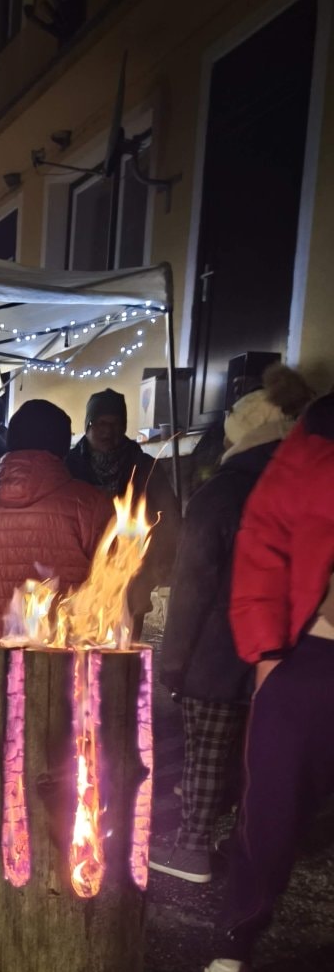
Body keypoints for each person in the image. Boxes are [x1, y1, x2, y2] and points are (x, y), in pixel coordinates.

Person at [191, 394, 334, 972]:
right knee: (270, 811)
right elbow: (264, 544)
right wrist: (268, 652)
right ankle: (236, 947)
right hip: (313, 653)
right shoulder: (316, 436)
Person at [154, 365, 313, 883]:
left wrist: (174, 661)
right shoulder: (303, 485)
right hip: (283, 653)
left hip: (217, 654)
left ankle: (192, 851)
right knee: (257, 760)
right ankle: (247, 847)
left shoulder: (221, 494)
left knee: (206, 755)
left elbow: (192, 585)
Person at [0, 400, 114, 848]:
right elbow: (110, 587)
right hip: (60, 653)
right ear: (62, 444)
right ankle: (55, 837)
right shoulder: (89, 503)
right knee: (60, 738)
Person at [66, 388, 180, 634]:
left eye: (116, 424)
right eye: (102, 424)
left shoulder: (144, 467)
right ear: (89, 425)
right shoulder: (69, 467)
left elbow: (168, 519)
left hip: (132, 575)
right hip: (81, 576)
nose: (109, 431)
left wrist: (152, 571)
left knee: (124, 648)